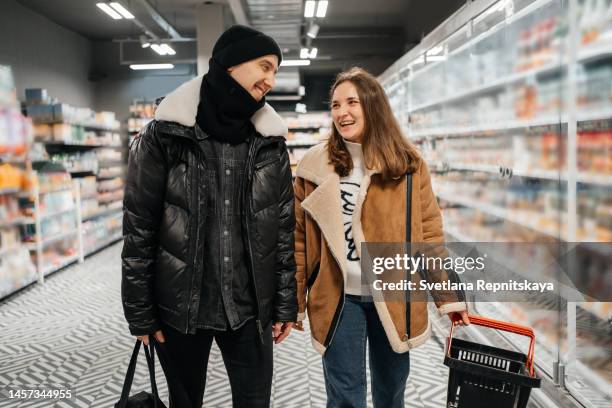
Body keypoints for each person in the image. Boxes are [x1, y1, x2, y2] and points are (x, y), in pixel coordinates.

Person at [121, 25, 297, 408]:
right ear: (231, 64)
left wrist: (284, 304)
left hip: (249, 309)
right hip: (181, 307)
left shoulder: (271, 144)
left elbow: (282, 231)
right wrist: (140, 313)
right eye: (265, 66)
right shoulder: (163, 136)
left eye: (276, 72)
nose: (270, 80)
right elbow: (139, 229)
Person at [293, 67, 470, 408]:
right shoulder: (314, 166)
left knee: (391, 391)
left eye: (352, 102)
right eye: (335, 105)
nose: (342, 112)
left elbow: (429, 233)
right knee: (346, 395)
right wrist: (293, 302)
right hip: (338, 296)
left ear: (373, 106)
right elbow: (299, 240)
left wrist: (447, 296)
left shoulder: (406, 163)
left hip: (392, 293)